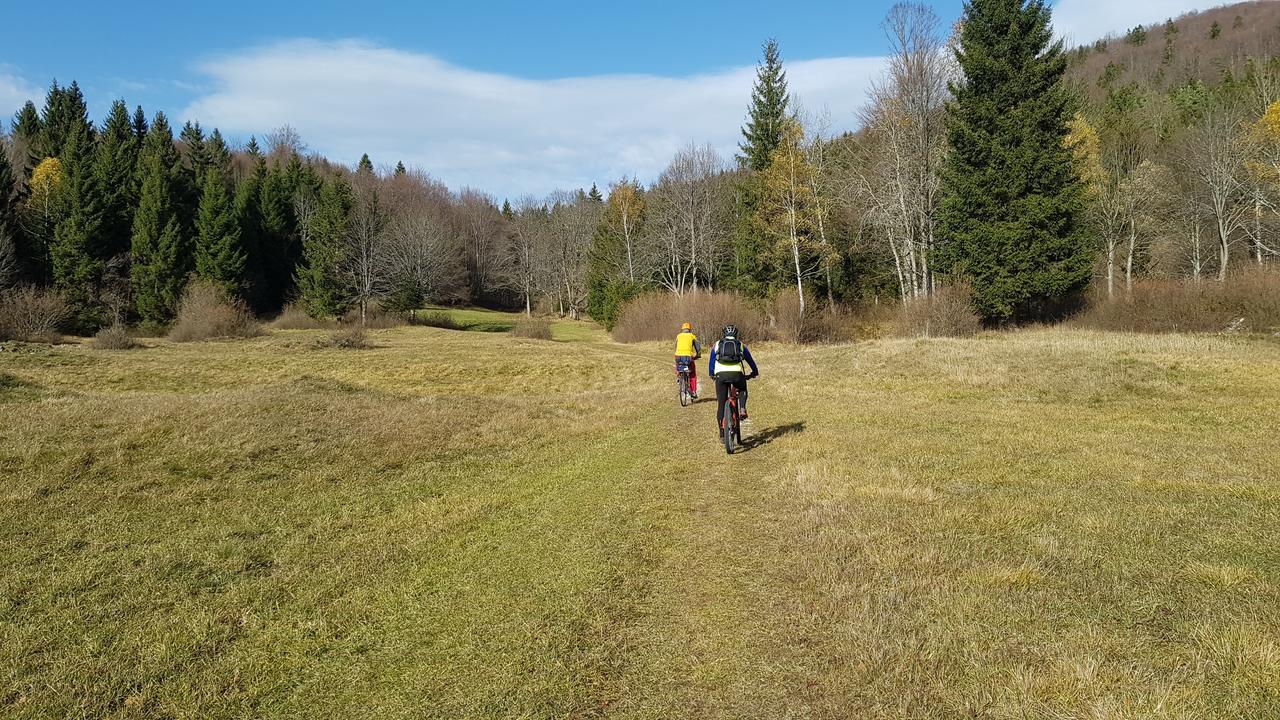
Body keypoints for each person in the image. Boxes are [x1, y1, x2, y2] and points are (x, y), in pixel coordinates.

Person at [708, 325, 758, 434]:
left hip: (720, 375)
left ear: (724, 334)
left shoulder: (717, 344)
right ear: (736, 335)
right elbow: (750, 360)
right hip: (737, 374)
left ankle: (722, 434)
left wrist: (711, 374)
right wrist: (755, 372)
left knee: (721, 404)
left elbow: (712, 362)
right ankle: (742, 408)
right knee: (742, 389)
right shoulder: (740, 345)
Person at [673, 322, 701, 398]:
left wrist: (676, 354)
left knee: (678, 365)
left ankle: (679, 376)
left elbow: (675, 347)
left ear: (682, 329)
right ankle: (694, 391)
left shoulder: (678, 336)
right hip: (688, 357)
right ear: (689, 329)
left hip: (678, 356)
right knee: (692, 373)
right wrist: (698, 355)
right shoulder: (692, 336)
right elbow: (698, 347)